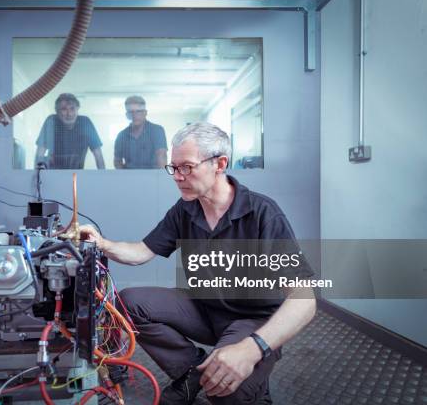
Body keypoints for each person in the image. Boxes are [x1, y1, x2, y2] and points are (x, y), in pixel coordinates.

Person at [81, 122, 316, 404]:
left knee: (225, 389)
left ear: (220, 163)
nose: (177, 176)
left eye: (187, 167)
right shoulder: (186, 209)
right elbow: (142, 251)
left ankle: (252, 384)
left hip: (252, 320)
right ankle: (190, 373)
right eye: (173, 167)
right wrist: (102, 243)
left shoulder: (262, 213)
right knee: (129, 304)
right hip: (204, 309)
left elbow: (305, 299)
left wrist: (253, 348)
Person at [35, 93, 105, 169]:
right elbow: (40, 153)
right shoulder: (51, 121)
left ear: (77, 109)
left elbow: (98, 155)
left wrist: (103, 177)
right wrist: (38, 175)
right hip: (53, 172)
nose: (69, 114)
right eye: (64, 109)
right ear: (57, 111)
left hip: (76, 173)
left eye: (72, 109)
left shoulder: (85, 123)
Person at [114, 95, 167, 169]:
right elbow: (117, 161)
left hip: (153, 177)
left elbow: (161, 156)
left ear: (145, 113)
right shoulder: (121, 136)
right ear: (127, 115)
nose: (134, 115)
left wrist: (162, 178)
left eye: (138, 111)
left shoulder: (157, 131)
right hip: (130, 178)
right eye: (131, 112)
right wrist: (123, 178)